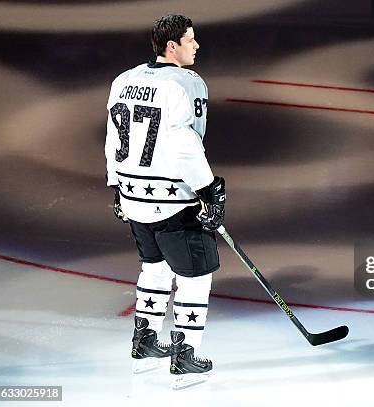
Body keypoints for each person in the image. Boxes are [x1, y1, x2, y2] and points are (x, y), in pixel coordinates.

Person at [104, 14, 225, 389]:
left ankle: (144, 340)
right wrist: (208, 190)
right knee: (195, 276)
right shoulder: (187, 83)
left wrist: (116, 187)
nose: (197, 46)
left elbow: (112, 137)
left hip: (133, 195)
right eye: (191, 40)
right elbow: (185, 140)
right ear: (172, 46)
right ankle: (185, 353)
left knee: (154, 268)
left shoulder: (124, 80)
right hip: (173, 199)